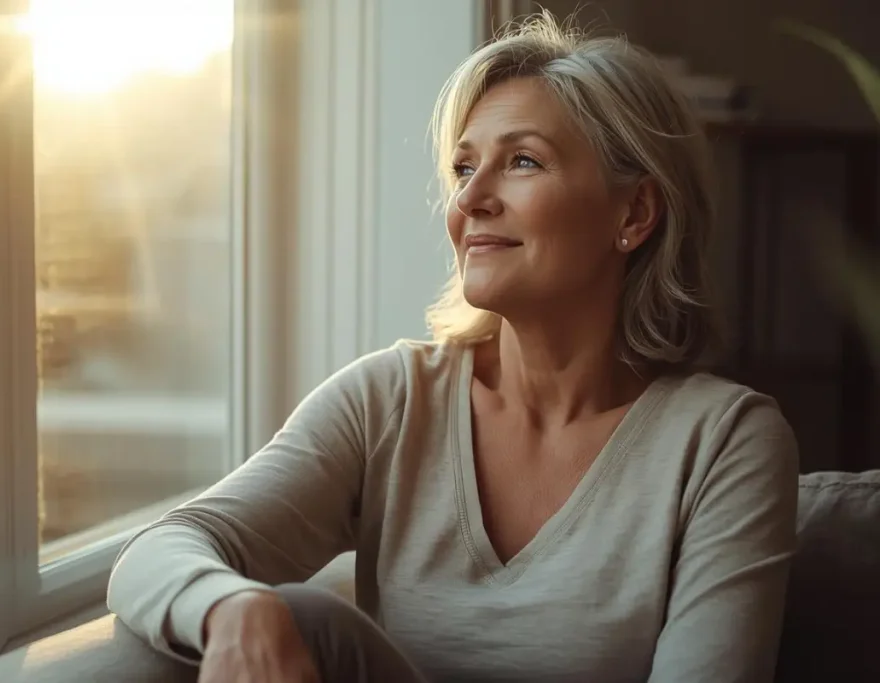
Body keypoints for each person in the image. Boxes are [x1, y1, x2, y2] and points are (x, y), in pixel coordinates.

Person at [107, 12, 799, 683]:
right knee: (297, 618)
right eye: (465, 168)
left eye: (523, 161)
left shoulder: (724, 442)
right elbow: (157, 552)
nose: (471, 200)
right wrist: (235, 609)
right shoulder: (389, 401)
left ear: (635, 212)